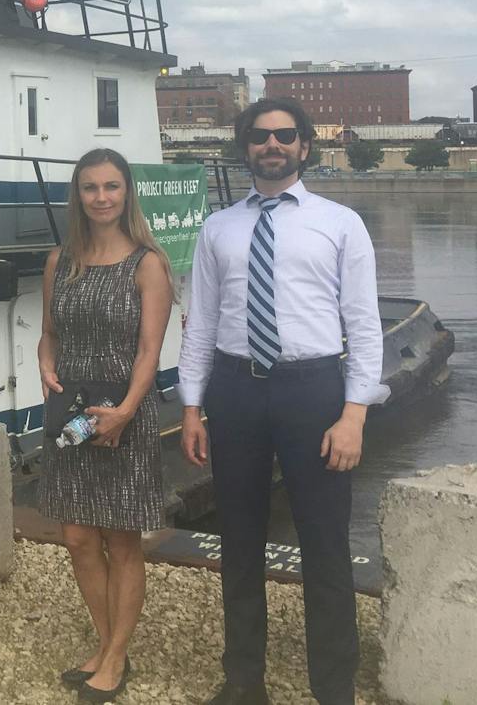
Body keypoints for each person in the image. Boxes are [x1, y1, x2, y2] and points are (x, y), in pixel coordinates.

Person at [180, 98, 387, 705]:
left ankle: (333, 687)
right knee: (239, 540)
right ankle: (244, 681)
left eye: (285, 136)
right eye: (260, 136)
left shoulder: (341, 223)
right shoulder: (218, 228)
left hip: (314, 391)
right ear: (244, 147)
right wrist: (192, 407)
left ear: (303, 146)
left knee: (324, 543)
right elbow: (201, 323)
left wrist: (354, 414)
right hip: (236, 391)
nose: (273, 145)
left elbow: (365, 325)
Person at [36, 148, 173, 703]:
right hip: (71, 416)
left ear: (126, 193)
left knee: (122, 538)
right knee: (76, 535)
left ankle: (115, 657)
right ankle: (105, 641)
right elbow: (50, 331)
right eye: (90, 188)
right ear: (78, 195)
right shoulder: (59, 260)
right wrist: (45, 361)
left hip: (123, 415)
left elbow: (149, 352)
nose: (101, 197)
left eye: (111, 187)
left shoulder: (147, 264)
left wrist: (125, 413)